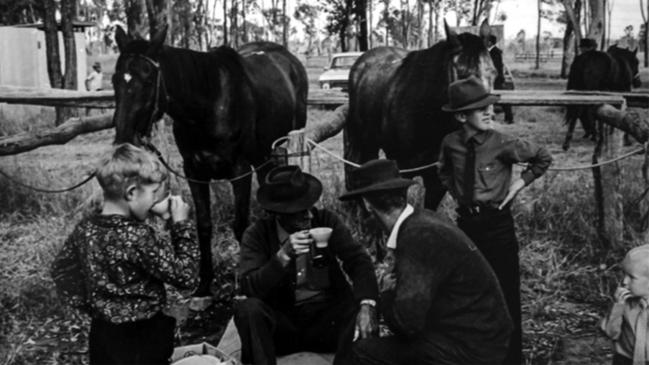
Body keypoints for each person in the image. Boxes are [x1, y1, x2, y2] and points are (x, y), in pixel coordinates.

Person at [339, 159, 513, 365]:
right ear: (401, 195)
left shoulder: (418, 237)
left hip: (472, 350)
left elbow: (407, 324)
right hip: (482, 337)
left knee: (362, 352)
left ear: (367, 205)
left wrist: (385, 293)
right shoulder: (423, 220)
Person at [438, 76, 553, 365]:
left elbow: (543, 157)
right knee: (471, 289)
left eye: (491, 107)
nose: (490, 113)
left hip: (497, 225)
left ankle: (511, 358)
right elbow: (444, 171)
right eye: (481, 109)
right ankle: (476, 352)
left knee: (505, 292)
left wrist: (519, 184)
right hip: (467, 225)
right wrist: (460, 195)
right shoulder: (451, 143)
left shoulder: (503, 143)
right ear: (462, 116)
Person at [50, 143, 199, 365]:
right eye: (153, 194)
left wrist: (90, 305)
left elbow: (61, 270)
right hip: (144, 336)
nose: (155, 201)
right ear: (131, 193)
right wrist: (181, 225)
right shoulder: (138, 236)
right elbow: (186, 277)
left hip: (102, 334)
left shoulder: (86, 229)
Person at [235, 165, 379, 365]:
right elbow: (249, 286)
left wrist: (367, 304)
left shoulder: (325, 220)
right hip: (284, 326)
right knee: (247, 309)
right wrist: (282, 257)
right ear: (280, 213)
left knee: (360, 306)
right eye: (301, 212)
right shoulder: (257, 234)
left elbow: (358, 260)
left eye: (310, 208)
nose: (310, 216)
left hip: (326, 322)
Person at [601, 245, 649, 365]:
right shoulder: (625, 302)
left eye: (632, 277)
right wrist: (618, 306)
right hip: (624, 359)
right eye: (624, 274)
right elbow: (611, 333)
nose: (624, 281)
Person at [488, 34, 514, 124]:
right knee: (496, 99)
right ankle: (493, 117)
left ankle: (509, 118)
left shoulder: (496, 52)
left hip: (496, 79)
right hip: (493, 79)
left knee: (502, 99)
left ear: (490, 42)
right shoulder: (492, 51)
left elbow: (495, 67)